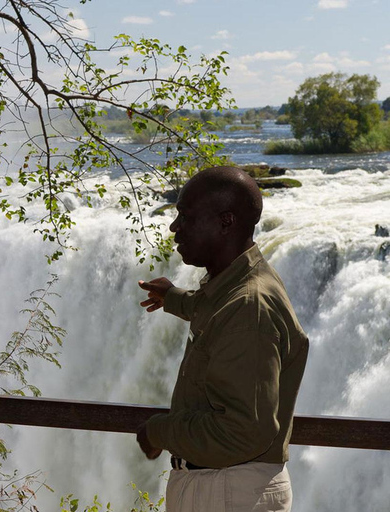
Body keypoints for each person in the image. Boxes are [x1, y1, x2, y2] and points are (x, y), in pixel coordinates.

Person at [135, 166, 309, 512]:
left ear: (225, 222)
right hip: (226, 486)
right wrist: (175, 299)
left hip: (228, 492)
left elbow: (244, 432)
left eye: (186, 216)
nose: (175, 227)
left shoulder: (248, 307)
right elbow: (217, 314)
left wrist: (159, 432)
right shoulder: (239, 283)